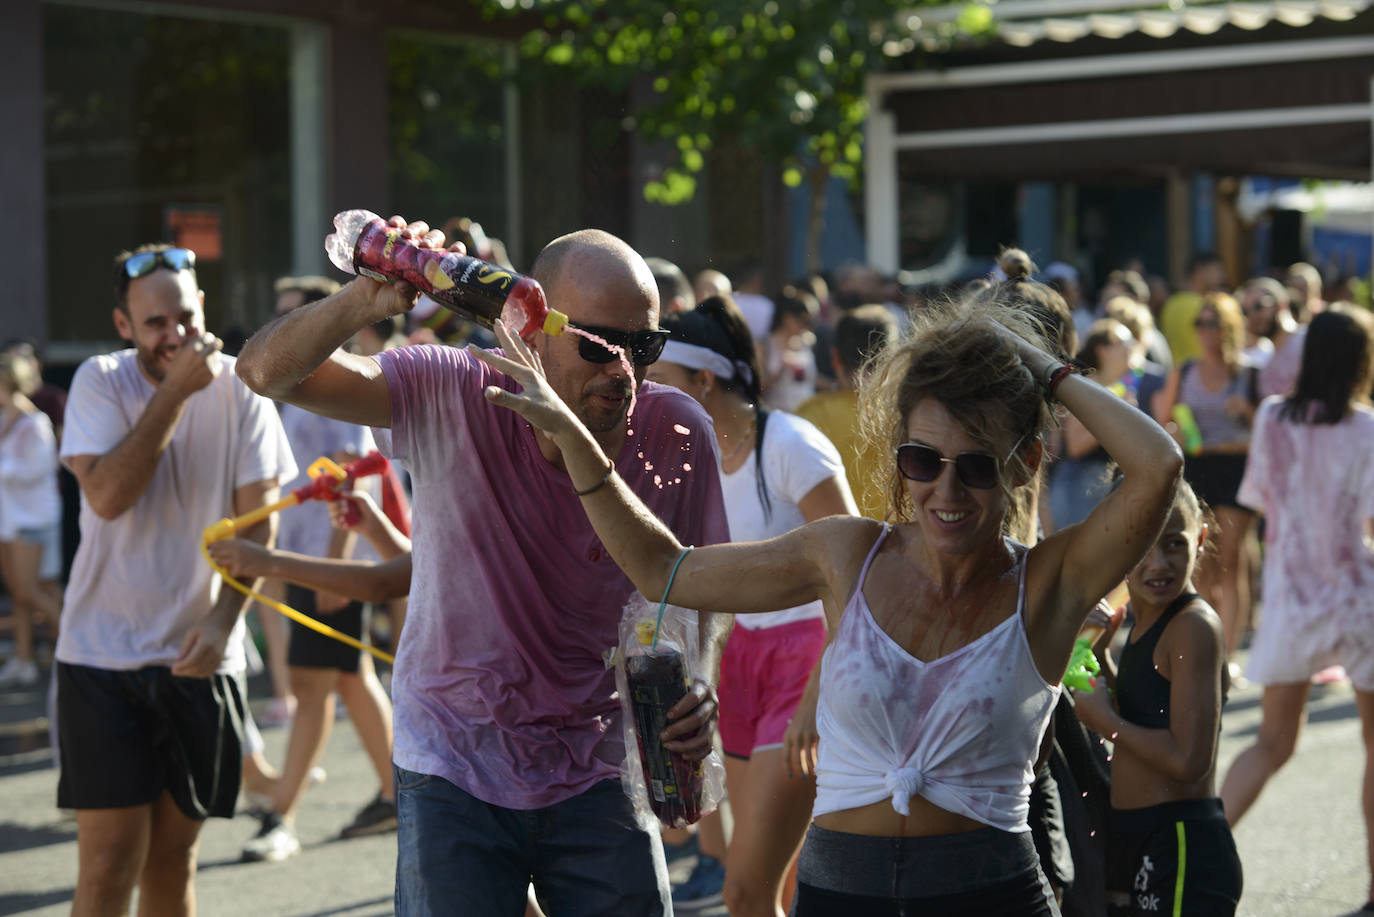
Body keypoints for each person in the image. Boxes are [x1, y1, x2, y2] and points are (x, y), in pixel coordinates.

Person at [476, 284, 1183, 913]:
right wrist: (576, 444)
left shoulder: (1049, 584)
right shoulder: (848, 551)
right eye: (922, 461)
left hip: (990, 889)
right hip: (839, 891)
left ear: (1022, 463)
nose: (946, 490)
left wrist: (1042, 367)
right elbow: (665, 570)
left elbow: (1159, 468)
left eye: (976, 467)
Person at [235, 218, 731, 915]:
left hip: (598, 761)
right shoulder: (454, 387)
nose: (624, 370)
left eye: (643, 346)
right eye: (598, 345)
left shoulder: (677, 430)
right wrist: (361, 302)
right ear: (528, 327)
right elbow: (264, 372)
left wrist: (697, 686)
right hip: (455, 754)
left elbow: (700, 589)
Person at [55, 243, 296, 915]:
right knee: (107, 865)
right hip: (102, 658)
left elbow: (258, 526)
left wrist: (223, 623)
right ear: (124, 325)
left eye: (184, 316)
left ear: (203, 311)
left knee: (173, 858)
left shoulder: (241, 385)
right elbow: (106, 496)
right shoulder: (100, 381)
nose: (175, 335)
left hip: (199, 657)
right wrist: (172, 396)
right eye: (155, 322)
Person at [648, 296, 857, 915]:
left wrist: (821, 695)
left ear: (703, 381)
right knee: (777, 881)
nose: (641, 396)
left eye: (657, 381)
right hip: (731, 663)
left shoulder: (792, 444)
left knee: (744, 887)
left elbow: (857, 578)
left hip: (804, 661)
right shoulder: (680, 455)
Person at [1219, 306, 1374, 911]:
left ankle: (1197, 853)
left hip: (1290, 597)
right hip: (1356, 595)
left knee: (1272, 743)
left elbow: (1256, 500)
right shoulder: (1364, 427)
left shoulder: (1273, 420)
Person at [239, 399, 397, 862]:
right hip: (312, 561)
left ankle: (281, 817)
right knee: (349, 679)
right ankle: (395, 795)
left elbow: (356, 472)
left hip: (327, 563)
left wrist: (336, 559)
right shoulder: (302, 386)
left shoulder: (329, 383)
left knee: (314, 685)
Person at [1074, 482, 1242, 916]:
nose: (1158, 564)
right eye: (1143, 547)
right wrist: (1101, 659)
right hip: (1139, 836)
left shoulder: (1192, 628)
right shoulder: (1147, 620)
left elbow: (1188, 759)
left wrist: (1103, 721)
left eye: (1174, 544)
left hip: (1180, 842)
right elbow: (1144, 711)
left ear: (1200, 538)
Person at [1153, 293, 1257, 667]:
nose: (1205, 331)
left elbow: (1269, 427)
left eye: (1213, 323)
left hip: (1237, 467)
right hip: (1198, 469)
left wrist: (1247, 412)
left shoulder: (1247, 372)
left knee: (1231, 557)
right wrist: (1175, 431)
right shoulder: (1185, 370)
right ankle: (1210, 648)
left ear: (1228, 328)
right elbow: (1164, 421)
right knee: (1205, 564)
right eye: (1201, 323)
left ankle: (1228, 654)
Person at [797, 304, 899, 520]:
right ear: (892, 359)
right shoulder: (911, 413)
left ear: (835, 357)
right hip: (902, 545)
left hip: (834, 547)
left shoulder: (807, 416)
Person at [0, 352, 63, 688]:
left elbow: (38, 469)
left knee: (33, 590)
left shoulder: (35, 423)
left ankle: (74, 645)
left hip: (33, 519)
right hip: (10, 520)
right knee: (20, 594)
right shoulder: (6, 419)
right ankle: (23, 659)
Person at [1048, 319, 1136, 532]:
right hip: (1080, 488)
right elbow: (1076, 446)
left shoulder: (1111, 388)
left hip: (1097, 487)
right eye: (1124, 342)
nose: (1131, 348)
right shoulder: (1087, 388)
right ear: (1103, 350)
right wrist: (1117, 413)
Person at [1158, 253, 1227, 365]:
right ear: (1199, 271)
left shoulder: (1170, 303)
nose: (1222, 276)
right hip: (1197, 374)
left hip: (1176, 373)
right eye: (1216, 270)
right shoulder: (1205, 308)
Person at [761, 286, 820, 413]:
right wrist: (782, 369)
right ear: (787, 318)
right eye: (804, 321)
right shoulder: (765, 345)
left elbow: (811, 379)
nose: (807, 327)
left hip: (807, 411)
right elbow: (759, 387)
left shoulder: (806, 341)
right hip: (778, 414)